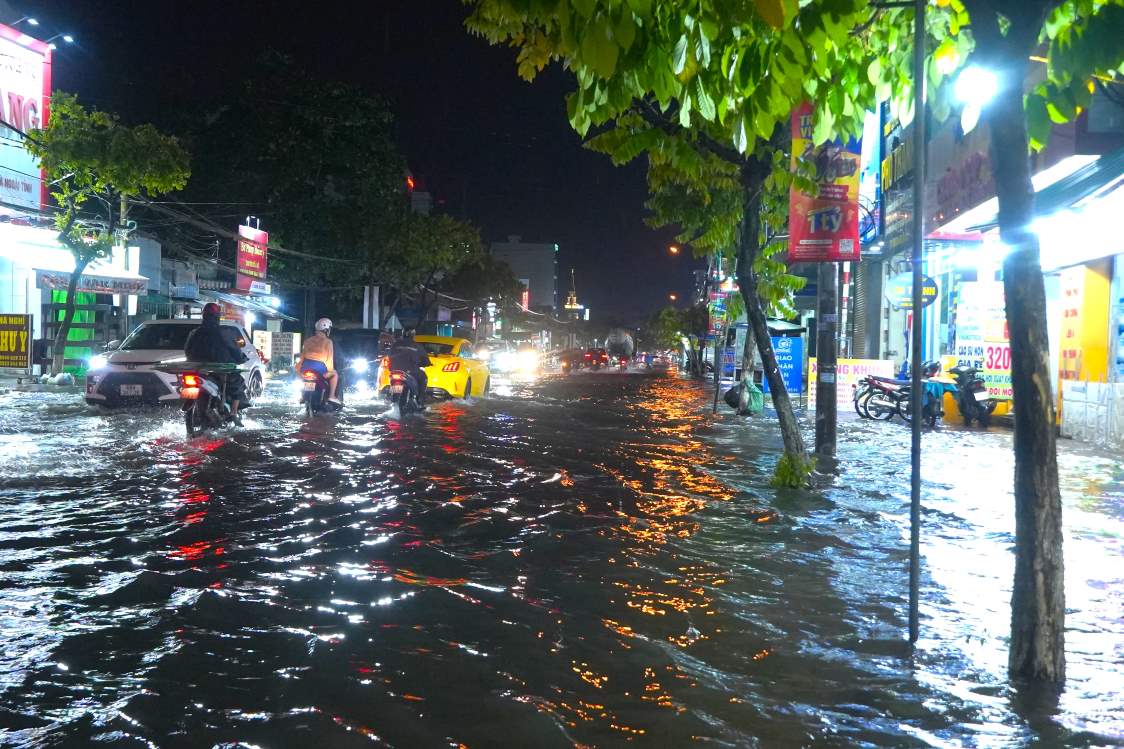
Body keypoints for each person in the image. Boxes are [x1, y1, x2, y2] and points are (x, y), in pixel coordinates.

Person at [184, 302, 249, 423]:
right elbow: (235, 350)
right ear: (217, 317)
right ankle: (233, 413)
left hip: (198, 368)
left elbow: (187, 350)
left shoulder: (195, 332)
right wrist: (241, 358)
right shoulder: (225, 332)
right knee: (238, 383)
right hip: (219, 369)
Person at [296, 317, 341, 406]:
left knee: (302, 379)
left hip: (305, 367)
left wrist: (298, 369)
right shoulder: (328, 342)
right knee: (335, 374)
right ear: (326, 330)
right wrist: (330, 371)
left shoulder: (307, 341)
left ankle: (302, 396)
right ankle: (331, 396)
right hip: (319, 369)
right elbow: (329, 360)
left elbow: (302, 356)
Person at [388, 329, 432, 406]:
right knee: (424, 377)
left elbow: (389, 356)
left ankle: (392, 399)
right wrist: (426, 363)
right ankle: (420, 400)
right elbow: (426, 360)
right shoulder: (417, 346)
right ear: (413, 335)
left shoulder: (395, 345)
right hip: (411, 371)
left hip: (395, 371)